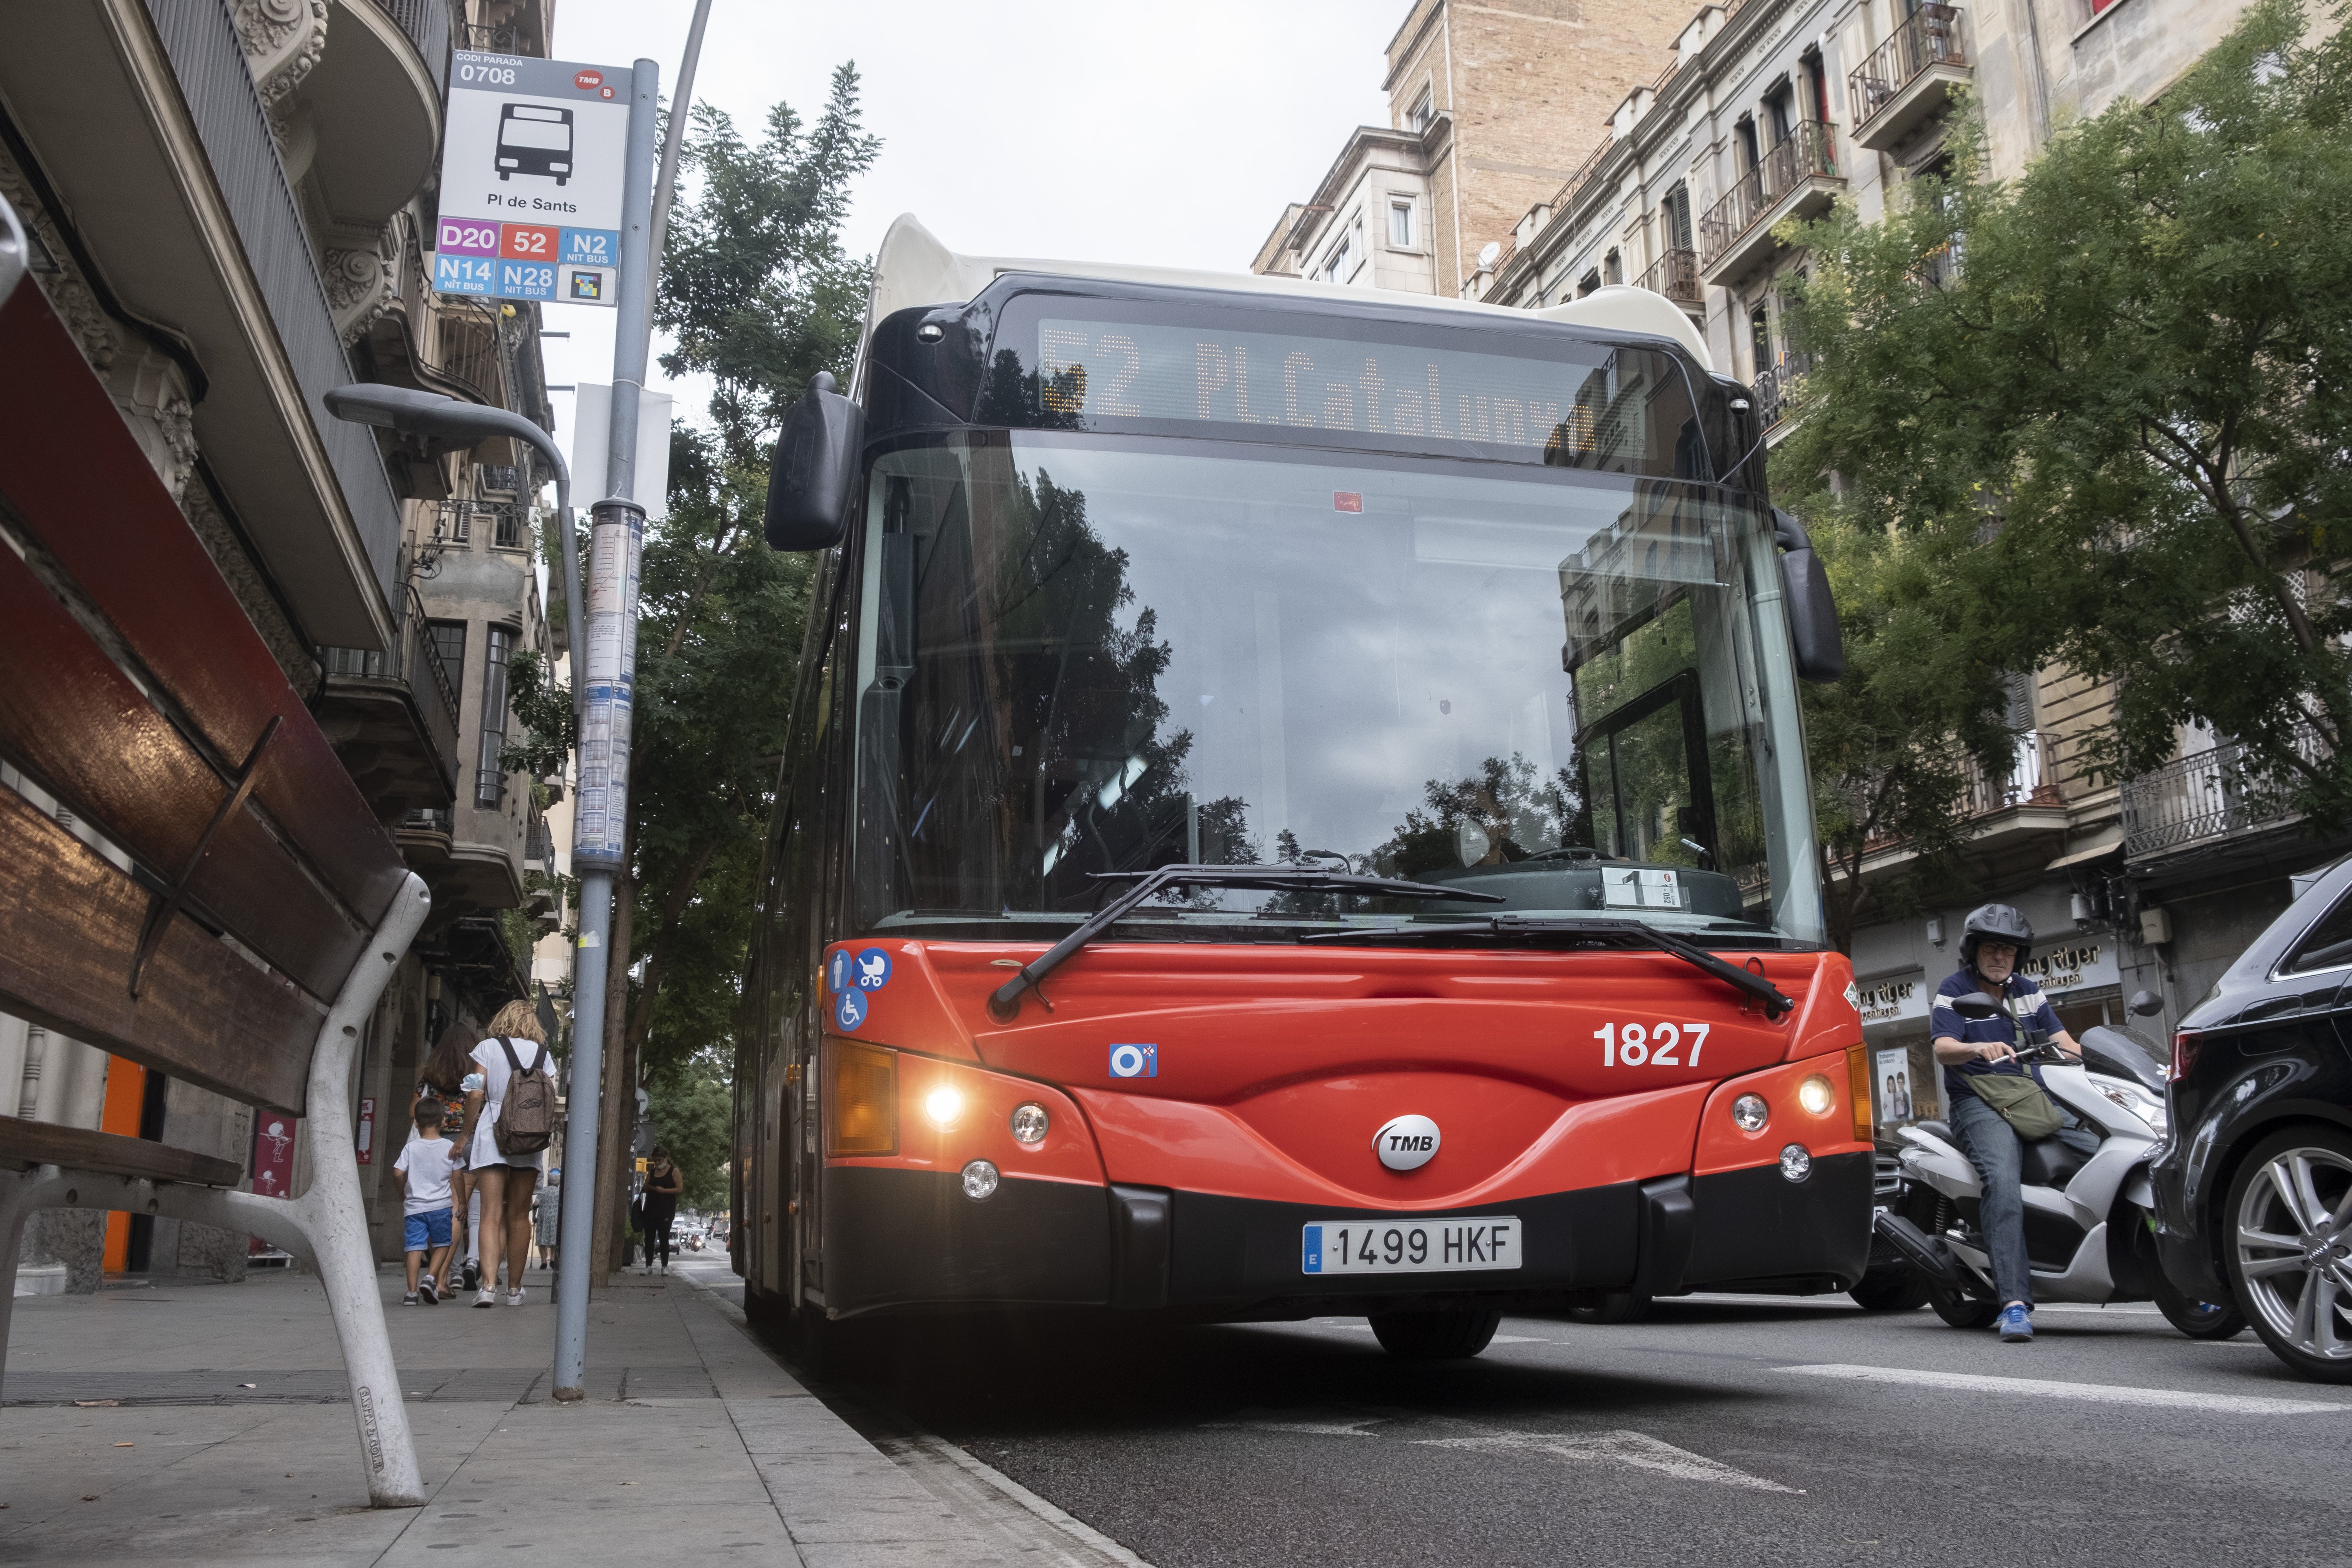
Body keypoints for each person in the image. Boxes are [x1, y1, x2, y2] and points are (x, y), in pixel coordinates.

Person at [1930, 903, 2101, 1345]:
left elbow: (2064, 1043)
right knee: (2002, 1182)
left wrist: (2105, 1060)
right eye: (1991, 947)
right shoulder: (1955, 989)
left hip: (2033, 1099)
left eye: (2008, 949)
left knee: (2109, 1154)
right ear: (1974, 950)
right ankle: (2014, 1303)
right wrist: (1975, 1050)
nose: (1999, 956)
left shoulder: (2028, 990)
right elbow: (1943, 1047)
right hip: (1979, 1103)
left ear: (2018, 955)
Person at [450, 999, 554, 1307]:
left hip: (492, 1132)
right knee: (520, 1215)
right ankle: (514, 1290)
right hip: (528, 1136)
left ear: (502, 1019)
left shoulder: (487, 1048)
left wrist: (466, 1133)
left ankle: (488, 1287)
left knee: (491, 1214)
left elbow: (474, 1092)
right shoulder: (544, 1055)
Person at [414, 1020, 484, 1293]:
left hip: (436, 1144)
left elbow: (414, 1110)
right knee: (458, 1211)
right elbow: (481, 1103)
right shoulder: (476, 1076)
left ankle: (439, 1278)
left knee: (436, 1208)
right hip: (470, 1144)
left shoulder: (430, 1075)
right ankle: (441, 1279)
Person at [392, 1099, 457, 1306]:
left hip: (414, 1207)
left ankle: (411, 1294)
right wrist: (462, 1202)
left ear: (417, 1125)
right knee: (443, 1244)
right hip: (441, 1207)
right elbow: (459, 1177)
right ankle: (430, 1278)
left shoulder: (411, 1148)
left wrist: (402, 1192)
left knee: (414, 1247)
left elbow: (398, 1172)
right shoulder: (450, 1147)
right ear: (444, 1122)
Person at [641, 1146, 684, 1274]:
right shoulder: (652, 1172)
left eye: (659, 1160)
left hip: (666, 1210)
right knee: (649, 1238)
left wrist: (663, 1191)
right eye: (655, 1161)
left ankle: (664, 1267)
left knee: (664, 1238)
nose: (657, 1163)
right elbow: (644, 1188)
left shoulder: (674, 1171)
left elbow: (679, 1189)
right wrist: (650, 1187)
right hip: (650, 1209)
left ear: (666, 1158)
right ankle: (648, 1266)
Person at [534, 1166, 561, 1270]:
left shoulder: (543, 1191)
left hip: (543, 1219)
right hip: (555, 1220)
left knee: (542, 1241)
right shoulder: (560, 1193)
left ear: (549, 1180)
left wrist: (533, 1210)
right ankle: (553, 1260)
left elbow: (536, 1204)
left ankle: (544, 1261)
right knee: (554, 1240)